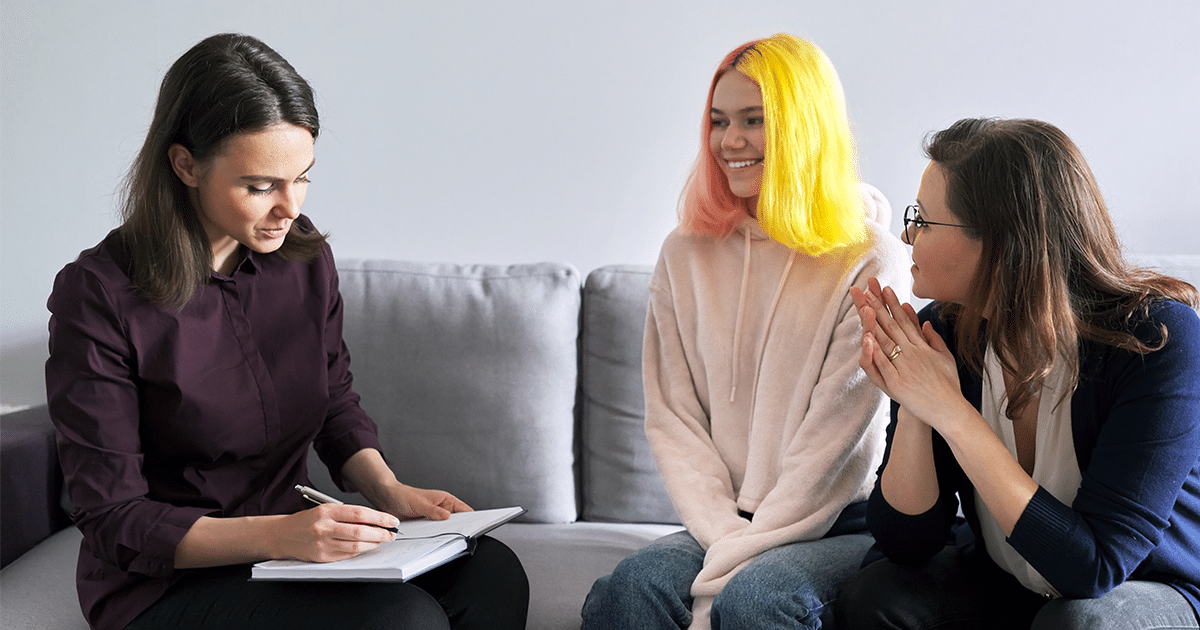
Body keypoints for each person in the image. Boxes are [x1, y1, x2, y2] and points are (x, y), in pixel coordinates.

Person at [45, 33, 528, 630]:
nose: (290, 207)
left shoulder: (300, 257)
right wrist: (284, 535)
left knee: (493, 574)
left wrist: (387, 489)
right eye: (261, 186)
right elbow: (113, 516)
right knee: (399, 621)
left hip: (293, 548)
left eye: (302, 177)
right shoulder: (97, 295)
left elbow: (333, 401)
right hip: (165, 582)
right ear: (185, 165)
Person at [580, 33, 909, 630]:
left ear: (803, 127)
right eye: (719, 121)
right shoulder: (684, 254)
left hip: (836, 519)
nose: (730, 141)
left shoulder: (869, 260)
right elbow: (673, 418)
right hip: (721, 519)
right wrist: (727, 538)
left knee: (756, 602)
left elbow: (834, 444)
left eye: (754, 120)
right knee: (628, 591)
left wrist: (725, 577)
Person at [836, 117, 1200, 629]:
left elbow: (1094, 568)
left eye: (921, 218)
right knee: (879, 593)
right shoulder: (942, 329)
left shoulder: (1157, 339)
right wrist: (916, 402)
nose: (905, 233)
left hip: (1143, 588)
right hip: (1010, 581)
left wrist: (951, 411)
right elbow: (906, 543)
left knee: (1080, 623)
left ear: (1002, 241)